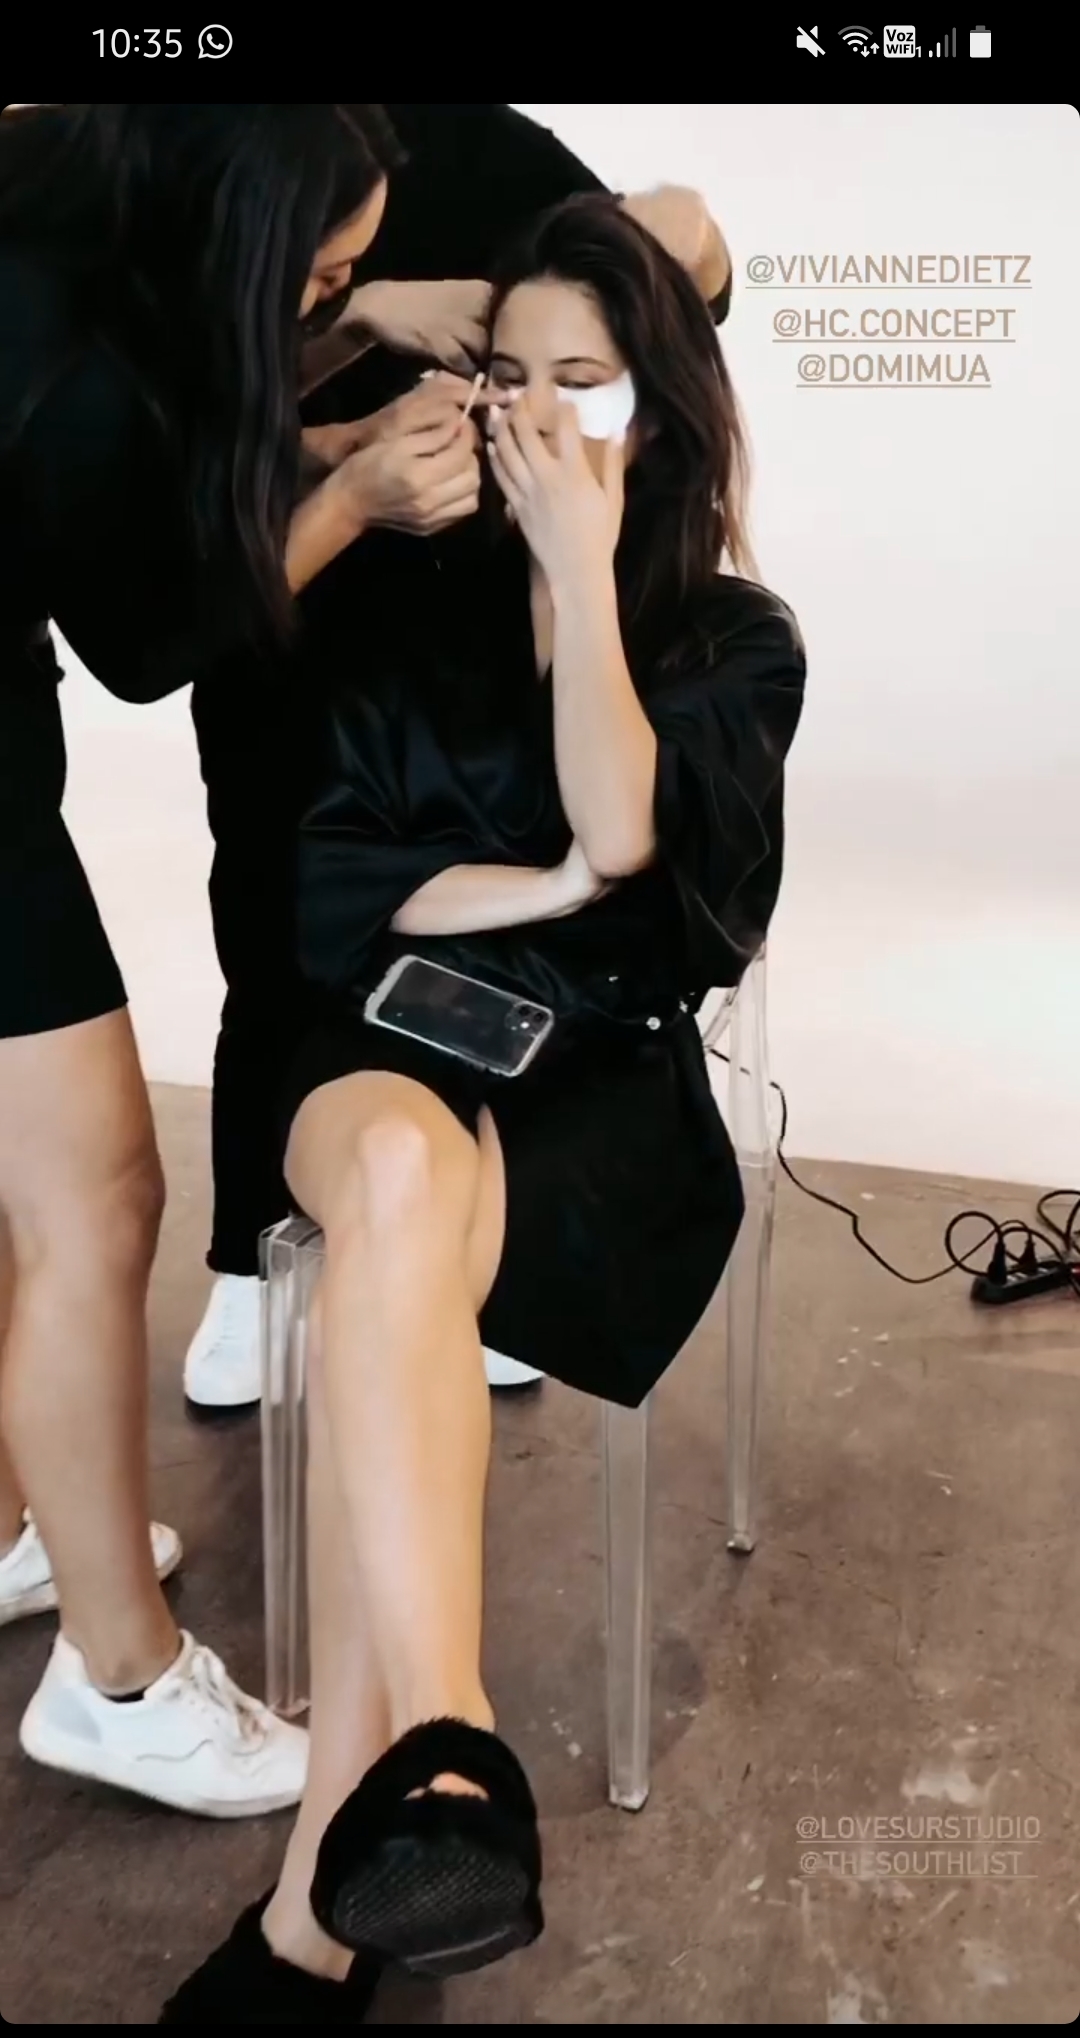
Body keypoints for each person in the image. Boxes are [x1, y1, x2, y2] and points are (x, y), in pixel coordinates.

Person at [161, 193, 806, 2023]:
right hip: (377, 1044)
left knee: (399, 1261)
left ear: (658, 411)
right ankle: (450, 1733)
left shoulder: (731, 634)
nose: (530, 413)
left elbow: (644, 857)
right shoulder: (394, 602)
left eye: (580, 379)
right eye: (508, 373)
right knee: (385, 1166)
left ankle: (330, 1879)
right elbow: (336, 894)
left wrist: (582, 586)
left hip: (595, 1094)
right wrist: (555, 885)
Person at [0, 102, 445, 1821]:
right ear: (235, 231)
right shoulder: (64, 353)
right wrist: (357, 492)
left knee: (28, 1192)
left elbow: (139, 451)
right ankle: (119, 1683)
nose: (333, 300)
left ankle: (17, 1532)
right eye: (321, 277)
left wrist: (346, 373)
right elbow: (145, 637)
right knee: (95, 1196)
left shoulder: (62, 184)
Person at [183, 102, 735, 1410]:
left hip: (471, 572)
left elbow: (673, 285)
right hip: (281, 578)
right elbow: (189, 424)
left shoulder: (484, 147)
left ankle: (504, 1207)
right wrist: (357, 328)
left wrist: (679, 236)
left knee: (496, 871)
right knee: (280, 903)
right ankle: (251, 1251)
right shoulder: (215, 160)